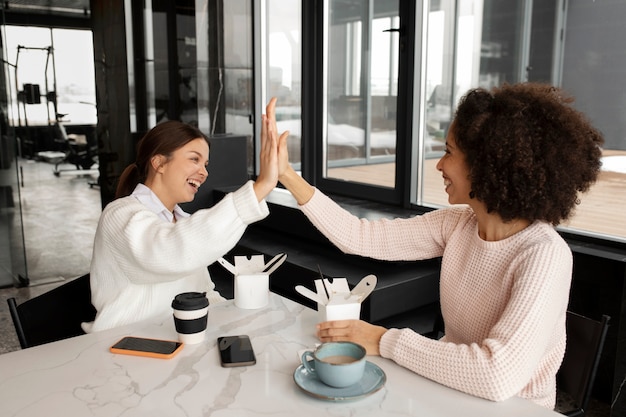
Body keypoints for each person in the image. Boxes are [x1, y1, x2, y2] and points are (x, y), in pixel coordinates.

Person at [273, 83, 604, 408]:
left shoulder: (543, 255)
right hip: (450, 393)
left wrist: (381, 339)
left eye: (448, 152)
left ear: (487, 165)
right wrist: (287, 175)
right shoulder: (457, 224)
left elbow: (496, 374)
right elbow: (357, 235)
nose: (439, 165)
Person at [83, 98, 284, 332]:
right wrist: (262, 186)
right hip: (122, 347)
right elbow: (170, 251)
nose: (204, 172)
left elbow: (204, 292)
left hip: (178, 341)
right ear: (159, 163)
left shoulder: (183, 223)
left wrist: (235, 322)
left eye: (206, 163)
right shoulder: (119, 215)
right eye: (194, 159)